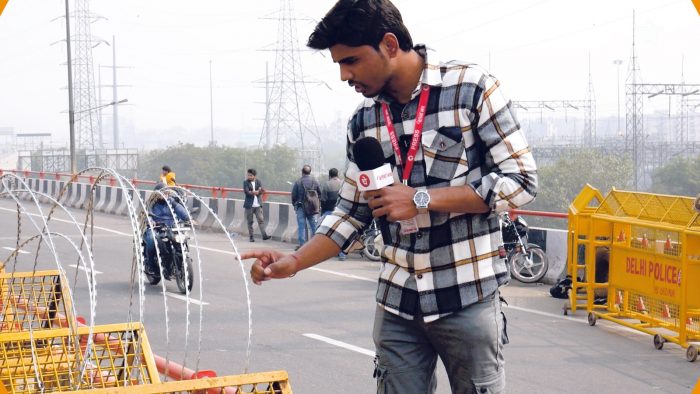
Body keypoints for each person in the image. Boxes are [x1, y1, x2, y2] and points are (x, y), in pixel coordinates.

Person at [242, 1, 537, 393]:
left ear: (390, 44)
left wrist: (422, 199)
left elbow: (521, 180)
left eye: (352, 61)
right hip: (397, 303)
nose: (346, 76)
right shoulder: (363, 121)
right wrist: (294, 261)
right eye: (339, 65)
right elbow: (350, 213)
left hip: (467, 296)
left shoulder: (471, 89)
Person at [143, 183, 189, 276]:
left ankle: (176, 261)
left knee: (181, 239)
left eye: (167, 192)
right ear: (157, 194)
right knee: (152, 240)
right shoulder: (151, 203)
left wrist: (188, 219)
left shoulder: (171, 202)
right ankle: (151, 265)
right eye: (163, 192)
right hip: (155, 228)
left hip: (170, 228)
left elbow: (180, 210)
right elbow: (146, 214)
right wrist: (151, 221)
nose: (165, 194)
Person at [291, 165, 321, 249]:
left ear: (302, 172)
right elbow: (319, 193)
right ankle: (314, 245)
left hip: (300, 207)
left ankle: (302, 245)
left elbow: (294, 195)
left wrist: (295, 205)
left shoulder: (298, 182)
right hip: (312, 207)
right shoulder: (315, 181)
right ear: (310, 172)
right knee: (313, 226)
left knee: (302, 226)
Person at [320, 168, 346, 260]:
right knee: (341, 233)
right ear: (337, 174)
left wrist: (323, 211)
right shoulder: (343, 183)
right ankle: (342, 254)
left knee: (325, 232)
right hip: (342, 211)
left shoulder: (327, 184)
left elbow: (323, 200)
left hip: (329, 211)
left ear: (329, 175)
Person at [243, 168, 271, 242]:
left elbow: (262, 190)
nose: (249, 177)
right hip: (249, 205)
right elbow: (246, 192)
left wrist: (256, 191)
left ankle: (264, 235)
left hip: (258, 205)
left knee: (261, 220)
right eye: (248, 175)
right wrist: (254, 192)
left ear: (254, 176)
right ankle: (251, 237)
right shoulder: (246, 182)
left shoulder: (258, 182)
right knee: (250, 221)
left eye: (250, 175)